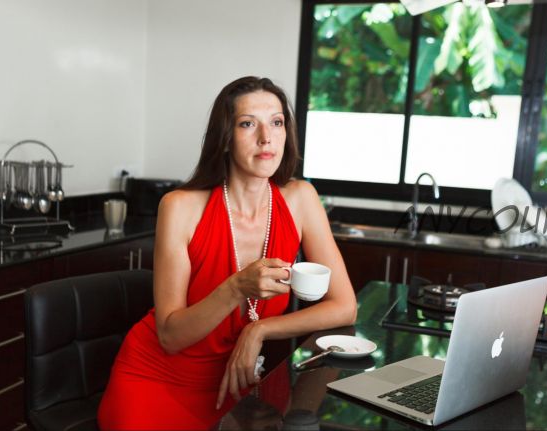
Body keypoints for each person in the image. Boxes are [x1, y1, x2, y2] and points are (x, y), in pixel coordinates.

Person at [97, 76, 357, 430]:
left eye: (276, 122)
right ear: (224, 137)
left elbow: (345, 305)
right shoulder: (179, 206)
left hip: (239, 382)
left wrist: (259, 331)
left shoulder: (301, 199)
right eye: (248, 124)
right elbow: (170, 337)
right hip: (158, 380)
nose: (266, 137)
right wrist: (236, 287)